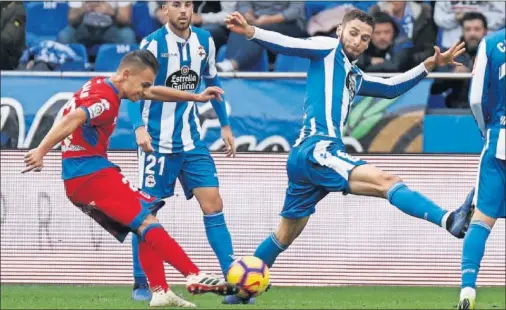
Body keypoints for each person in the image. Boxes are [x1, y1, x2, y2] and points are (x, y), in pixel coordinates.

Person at [222, 10, 475, 304]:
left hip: (305, 157)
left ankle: (240, 291)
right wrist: (252, 31)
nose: (357, 41)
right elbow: (288, 43)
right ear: (340, 30)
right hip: (319, 149)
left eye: (364, 38)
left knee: (285, 234)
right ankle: (449, 220)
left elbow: (391, 88)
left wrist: (429, 64)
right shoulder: (327, 48)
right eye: (353, 33)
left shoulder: (352, 74)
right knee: (387, 181)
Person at [22, 49, 237, 308]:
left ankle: (160, 291)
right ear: (126, 75)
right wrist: (41, 150)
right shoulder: (105, 100)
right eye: (143, 83)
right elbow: (74, 118)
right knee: (146, 219)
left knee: (146, 217)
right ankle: (193, 274)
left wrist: (194, 97)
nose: (145, 90)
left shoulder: (104, 84)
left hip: (84, 175)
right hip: (90, 174)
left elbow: (153, 92)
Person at [126, 1, 237, 302]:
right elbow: (131, 89)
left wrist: (225, 125)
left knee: (213, 203)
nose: (183, 10)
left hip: (191, 140)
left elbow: (213, 81)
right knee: (146, 213)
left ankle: (235, 281)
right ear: (163, 11)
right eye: (176, 4)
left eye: (188, 3)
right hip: (156, 143)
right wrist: (138, 127)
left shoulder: (205, 41)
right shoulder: (152, 44)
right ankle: (142, 282)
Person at [458, 28, 505, 310]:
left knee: (481, 221)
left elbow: (476, 98)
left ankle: (467, 290)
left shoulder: (492, 42)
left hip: (500, 138)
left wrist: (486, 130)